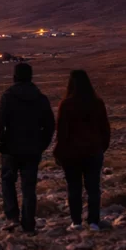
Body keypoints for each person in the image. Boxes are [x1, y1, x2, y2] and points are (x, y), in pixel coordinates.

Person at [0, 63, 55, 234]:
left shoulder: (8, 96)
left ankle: (12, 218)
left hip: (10, 148)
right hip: (33, 149)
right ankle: (28, 223)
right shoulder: (40, 98)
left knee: (8, 182)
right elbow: (49, 125)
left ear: (15, 77)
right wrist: (42, 144)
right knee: (29, 187)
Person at [53, 70, 111, 231]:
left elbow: (62, 132)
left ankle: (76, 222)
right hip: (93, 151)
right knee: (93, 187)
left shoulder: (66, 104)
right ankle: (93, 221)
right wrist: (100, 146)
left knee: (74, 188)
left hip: (71, 153)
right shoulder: (97, 103)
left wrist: (58, 152)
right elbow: (105, 129)